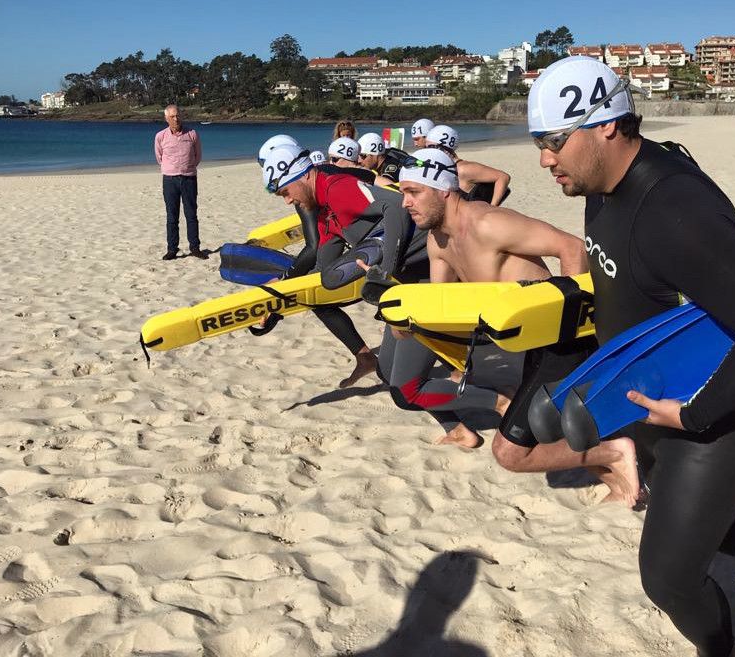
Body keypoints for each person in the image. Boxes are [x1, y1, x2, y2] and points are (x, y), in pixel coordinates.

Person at [528, 55, 735, 657]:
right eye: (538, 142)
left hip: (716, 407)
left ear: (607, 127)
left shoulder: (673, 210)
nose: (544, 159)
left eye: (553, 141)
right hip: (652, 389)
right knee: (700, 519)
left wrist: (693, 415)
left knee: (669, 578)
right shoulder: (602, 183)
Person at [390, 147, 638, 495]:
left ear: (443, 188)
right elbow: (440, 305)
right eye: (403, 194)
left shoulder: (489, 223)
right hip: (528, 348)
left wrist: (568, 325)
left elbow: (573, 248)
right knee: (556, 423)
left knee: (512, 451)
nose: (405, 204)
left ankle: (617, 455)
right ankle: (621, 479)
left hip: (558, 340)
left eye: (413, 192)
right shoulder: (438, 241)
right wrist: (408, 323)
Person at [261, 144, 428, 387]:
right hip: (399, 272)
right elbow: (320, 270)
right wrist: (281, 300)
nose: (287, 201)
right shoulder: (324, 214)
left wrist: (385, 273)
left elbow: (397, 206)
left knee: (407, 385)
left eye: (285, 191)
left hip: (421, 261)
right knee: (323, 286)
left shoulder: (337, 188)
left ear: (304, 175)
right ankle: (365, 358)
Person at [155, 104, 206, 260]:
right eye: (172, 116)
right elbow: (159, 158)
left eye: (177, 115)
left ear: (181, 116)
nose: (175, 119)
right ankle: (172, 249)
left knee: (191, 214)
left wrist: (187, 168)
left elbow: (197, 156)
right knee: (172, 216)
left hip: (189, 178)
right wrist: (172, 168)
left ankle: (195, 247)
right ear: (166, 118)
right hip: (169, 180)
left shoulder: (192, 134)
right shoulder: (160, 136)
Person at [424, 125, 512, 206]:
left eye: (430, 147)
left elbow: (503, 177)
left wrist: (492, 208)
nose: (427, 152)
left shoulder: (462, 169)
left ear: (443, 148)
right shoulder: (445, 168)